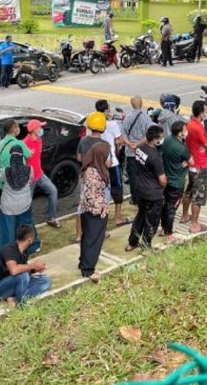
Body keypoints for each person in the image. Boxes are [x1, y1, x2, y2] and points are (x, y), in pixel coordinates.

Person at [126, 125, 167, 251]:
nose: (162, 139)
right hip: (153, 194)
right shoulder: (155, 157)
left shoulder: (140, 148)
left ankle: (132, 243)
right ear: (155, 139)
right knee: (152, 221)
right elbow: (162, 180)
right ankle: (146, 245)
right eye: (161, 137)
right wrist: (164, 185)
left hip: (141, 190)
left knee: (140, 217)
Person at [0, 225, 51, 303]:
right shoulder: (9, 249)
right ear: (30, 240)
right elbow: (14, 271)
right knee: (23, 276)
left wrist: (35, 269)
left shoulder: (24, 251)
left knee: (45, 280)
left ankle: (14, 299)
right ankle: (20, 303)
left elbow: (21, 272)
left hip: (14, 283)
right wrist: (33, 265)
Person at [78, 142, 111, 281]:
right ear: (101, 156)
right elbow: (92, 196)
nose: (110, 159)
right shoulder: (94, 174)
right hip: (95, 212)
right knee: (94, 240)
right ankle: (88, 270)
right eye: (108, 155)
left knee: (87, 238)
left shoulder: (89, 167)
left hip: (86, 209)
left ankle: (83, 262)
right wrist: (102, 209)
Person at [0, 149, 37, 256]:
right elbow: (31, 180)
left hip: (8, 206)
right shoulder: (29, 169)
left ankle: (7, 253)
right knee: (26, 228)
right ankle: (30, 247)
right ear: (22, 157)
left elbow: (1, 181)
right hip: (24, 204)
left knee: (7, 232)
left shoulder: (5, 171)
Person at [21, 119, 60, 229]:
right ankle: (26, 225)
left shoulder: (39, 140)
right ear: (33, 130)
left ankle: (51, 218)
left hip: (39, 174)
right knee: (27, 203)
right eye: (39, 127)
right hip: (29, 178)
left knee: (53, 191)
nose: (41, 129)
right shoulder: (25, 143)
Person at [96, 100, 129, 227]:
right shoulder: (112, 124)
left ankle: (101, 215)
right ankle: (118, 217)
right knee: (117, 188)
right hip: (112, 161)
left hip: (99, 161)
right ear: (106, 110)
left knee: (102, 189)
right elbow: (119, 140)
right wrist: (130, 143)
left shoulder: (95, 123)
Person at [182, 101, 207, 233]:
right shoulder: (199, 128)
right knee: (198, 195)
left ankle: (184, 215)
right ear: (201, 113)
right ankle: (195, 224)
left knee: (189, 190)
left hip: (192, 164)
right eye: (205, 111)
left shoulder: (189, 124)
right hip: (200, 164)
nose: (206, 113)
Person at [160, 121, 190, 244]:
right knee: (172, 208)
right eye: (184, 129)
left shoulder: (167, 140)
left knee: (166, 205)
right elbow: (191, 161)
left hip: (167, 179)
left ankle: (163, 228)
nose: (186, 131)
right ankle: (169, 235)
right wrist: (187, 161)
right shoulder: (181, 148)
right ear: (180, 133)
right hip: (177, 182)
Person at [122, 97, 152, 200]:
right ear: (142, 103)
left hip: (130, 153)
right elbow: (149, 134)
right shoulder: (146, 117)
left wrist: (130, 144)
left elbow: (123, 134)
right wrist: (138, 144)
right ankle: (144, 196)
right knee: (144, 175)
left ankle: (135, 198)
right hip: (143, 151)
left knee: (133, 176)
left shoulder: (128, 117)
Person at [0, 120, 31, 193]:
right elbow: (28, 155)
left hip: (4, 177)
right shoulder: (19, 143)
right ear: (14, 129)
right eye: (18, 127)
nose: (19, 129)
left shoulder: (1, 143)